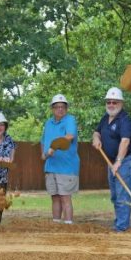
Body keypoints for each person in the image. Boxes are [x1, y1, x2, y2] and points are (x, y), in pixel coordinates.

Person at [92, 87, 131, 232]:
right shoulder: (105, 118)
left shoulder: (126, 121)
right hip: (110, 161)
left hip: (126, 161)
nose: (111, 105)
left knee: (122, 195)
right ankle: (119, 223)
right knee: (114, 195)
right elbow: (96, 132)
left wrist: (118, 162)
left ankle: (121, 227)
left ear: (121, 104)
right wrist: (96, 138)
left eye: (115, 102)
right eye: (109, 102)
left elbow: (125, 142)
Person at [40, 94, 80, 224]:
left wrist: (54, 147)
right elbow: (43, 140)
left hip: (66, 167)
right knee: (55, 197)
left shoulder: (70, 120)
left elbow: (69, 136)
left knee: (65, 198)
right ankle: (56, 224)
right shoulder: (48, 123)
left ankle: (68, 226)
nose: (60, 109)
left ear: (66, 108)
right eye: (57, 107)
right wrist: (43, 153)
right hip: (51, 166)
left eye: (62, 107)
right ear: (52, 109)